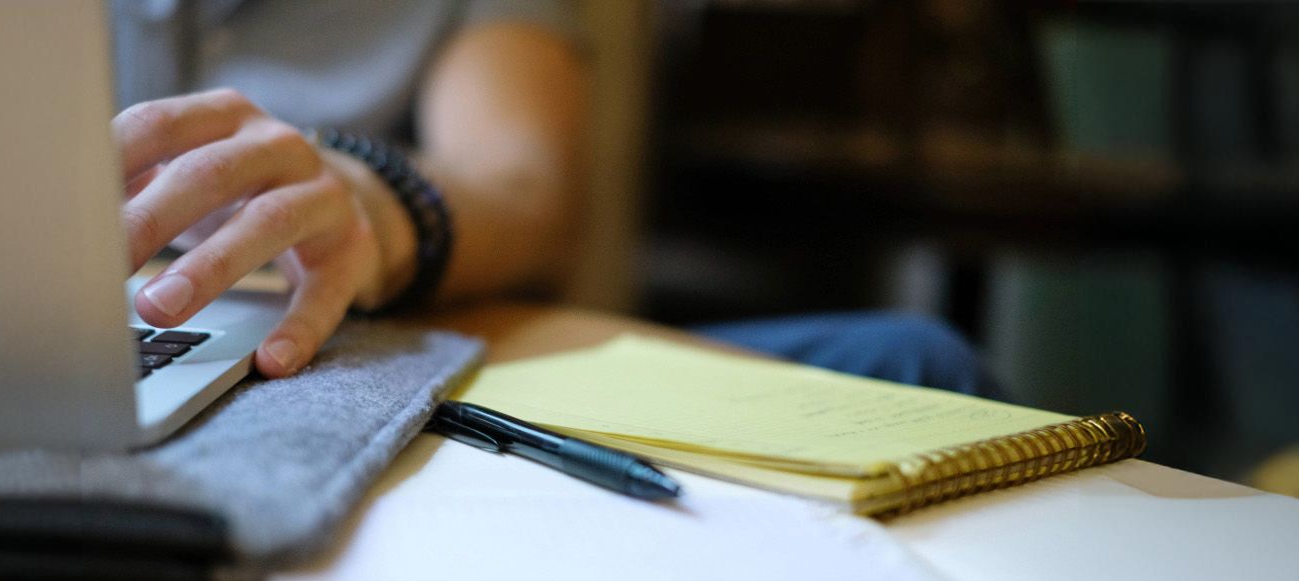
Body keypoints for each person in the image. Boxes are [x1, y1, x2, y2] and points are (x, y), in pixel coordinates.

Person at [111, 0, 1000, 398]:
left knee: (916, 364)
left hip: (360, 355)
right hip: (77, 350)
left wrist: (368, 207)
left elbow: (525, 188)